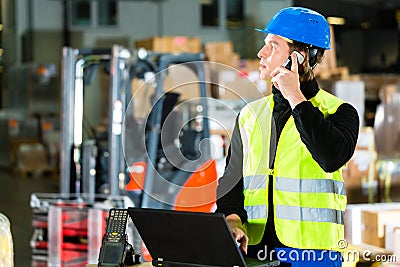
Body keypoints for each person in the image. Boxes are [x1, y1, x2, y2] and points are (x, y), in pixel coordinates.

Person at [215, 6, 359, 267]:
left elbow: (330, 157)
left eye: (273, 45)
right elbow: (231, 185)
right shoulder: (250, 116)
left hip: (313, 256)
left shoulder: (339, 112)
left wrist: (295, 96)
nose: (261, 53)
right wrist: (232, 221)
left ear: (300, 57)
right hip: (255, 253)